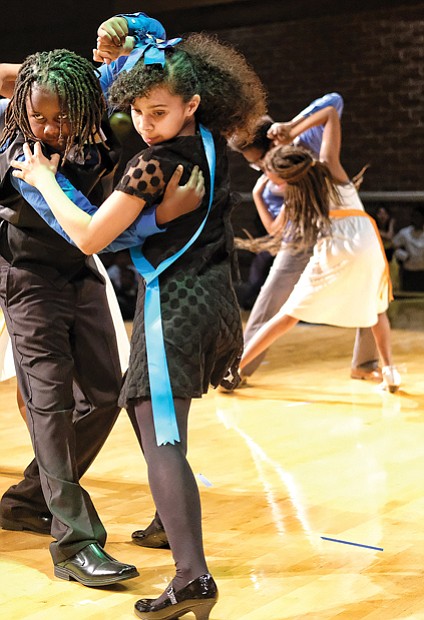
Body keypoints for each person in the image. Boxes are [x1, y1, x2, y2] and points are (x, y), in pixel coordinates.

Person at [12, 13, 267, 619]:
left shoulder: (142, 155)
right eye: (141, 113)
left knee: (151, 433)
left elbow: (95, 236)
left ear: (191, 103)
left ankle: (190, 572)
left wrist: (49, 181)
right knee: (103, 413)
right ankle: (122, 530)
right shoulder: (206, 139)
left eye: (159, 112)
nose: (147, 126)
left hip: (169, 305)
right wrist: (128, 32)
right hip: (201, 299)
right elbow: (110, 230)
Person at [0, 14, 204, 587]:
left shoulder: (101, 121)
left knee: (105, 395)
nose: (47, 128)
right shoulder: (23, 153)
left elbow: (159, 53)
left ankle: (29, 499)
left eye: (59, 117)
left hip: (80, 273)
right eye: (36, 115)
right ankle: (74, 544)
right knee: (50, 406)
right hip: (26, 277)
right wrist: (162, 216)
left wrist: (133, 31)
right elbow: (86, 228)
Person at [234, 105, 401, 393]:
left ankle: (234, 370)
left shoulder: (297, 198)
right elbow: (331, 113)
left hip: (334, 247)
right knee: (377, 311)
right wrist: (292, 128)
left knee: (287, 316)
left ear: (287, 179)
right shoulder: (328, 166)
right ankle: (387, 369)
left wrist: (258, 196)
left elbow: (273, 230)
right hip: (366, 241)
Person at [393, 205, 424, 291]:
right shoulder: (405, 233)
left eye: (419, 217)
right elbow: (393, 246)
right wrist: (403, 256)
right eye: (414, 217)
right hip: (409, 273)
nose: (416, 219)